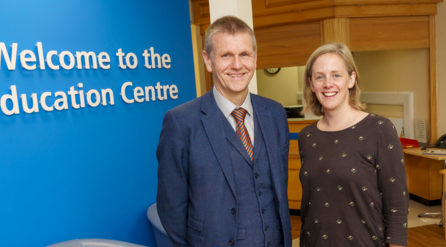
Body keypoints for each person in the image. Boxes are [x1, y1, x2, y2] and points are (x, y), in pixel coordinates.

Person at [156, 15, 292, 247]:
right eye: (226, 55)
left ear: (255, 59)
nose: (237, 65)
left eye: (244, 55)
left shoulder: (275, 113)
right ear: (208, 60)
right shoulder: (180, 122)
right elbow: (171, 208)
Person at [298, 43, 408, 247]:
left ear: (351, 79)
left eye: (336, 75)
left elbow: (397, 205)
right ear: (311, 84)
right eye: (319, 77)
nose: (327, 84)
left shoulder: (380, 129)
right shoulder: (307, 137)